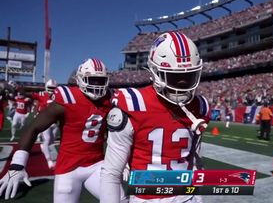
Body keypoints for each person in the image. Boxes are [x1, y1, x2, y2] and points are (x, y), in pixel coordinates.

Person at [101, 32, 210, 203]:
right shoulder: (133, 104)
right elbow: (111, 173)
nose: (182, 84)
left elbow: (195, 159)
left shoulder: (200, 106)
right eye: (174, 76)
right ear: (155, 72)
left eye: (189, 76)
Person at [0, 58, 127, 202]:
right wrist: (18, 163)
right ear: (80, 79)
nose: (96, 85)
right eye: (92, 80)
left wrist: (124, 159)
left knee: (120, 200)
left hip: (97, 165)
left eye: (100, 80)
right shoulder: (67, 99)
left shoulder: (110, 99)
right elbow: (34, 128)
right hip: (68, 169)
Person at [30, 79, 59, 169]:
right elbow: (32, 96)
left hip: (55, 122)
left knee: (51, 141)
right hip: (45, 121)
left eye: (54, 88)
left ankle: (44, 147)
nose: (52, 90)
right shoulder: (42, 95)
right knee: (47, 140)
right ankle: (49, 160)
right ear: (46, 87)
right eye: (50, 88)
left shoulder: (59, 96)